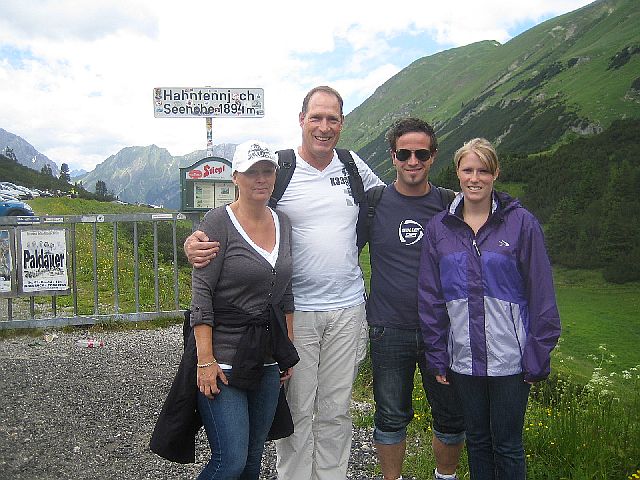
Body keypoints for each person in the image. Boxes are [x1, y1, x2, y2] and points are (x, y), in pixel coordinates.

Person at [184, 85, 384, 480]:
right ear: (301, 120)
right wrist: (195, 239)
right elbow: (241, 211)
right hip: (295, 313)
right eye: (316, 118)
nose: (324, 127)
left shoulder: (352, 165)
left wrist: (454, 205)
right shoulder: (281, 168)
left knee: (336, 409)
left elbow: (397, 200)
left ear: (342, 123)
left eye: (332, 119)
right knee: (295, 410)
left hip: (347, 308)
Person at [418, 138, 561, 480]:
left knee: (508, 445)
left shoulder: (521, 223)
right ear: (457, 174)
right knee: (478, 442)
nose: (475, 178)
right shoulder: (439, 228)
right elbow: (431, 298)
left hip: (511, 358)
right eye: (468, 170)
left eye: (483, 170)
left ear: (496, 173)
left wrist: (539, 352)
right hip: (463, 357)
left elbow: (542, 292)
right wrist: (437, 354)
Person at [358, 118, 465, 480]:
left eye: (421, 153)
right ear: (393, 157)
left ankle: (445, 477)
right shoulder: (373, 203)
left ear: (433, 156)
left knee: (451, 416)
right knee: (390, 416)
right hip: (389, 329)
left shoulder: (451, 204)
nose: (412, 161)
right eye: (404, 153)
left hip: (443, 331)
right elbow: (329, 243)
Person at [190, 140, 299, 479]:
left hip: (267, 358)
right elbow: (202, 292)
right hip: (224, 358)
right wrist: (204, 360)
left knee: (253, 461)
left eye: (267, 171)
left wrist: (287, 349)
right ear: (236, 177)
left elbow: (285, 294)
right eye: (253, 172)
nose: (261, 179)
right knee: (230, 461)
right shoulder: (218, 221)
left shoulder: (283, 222)